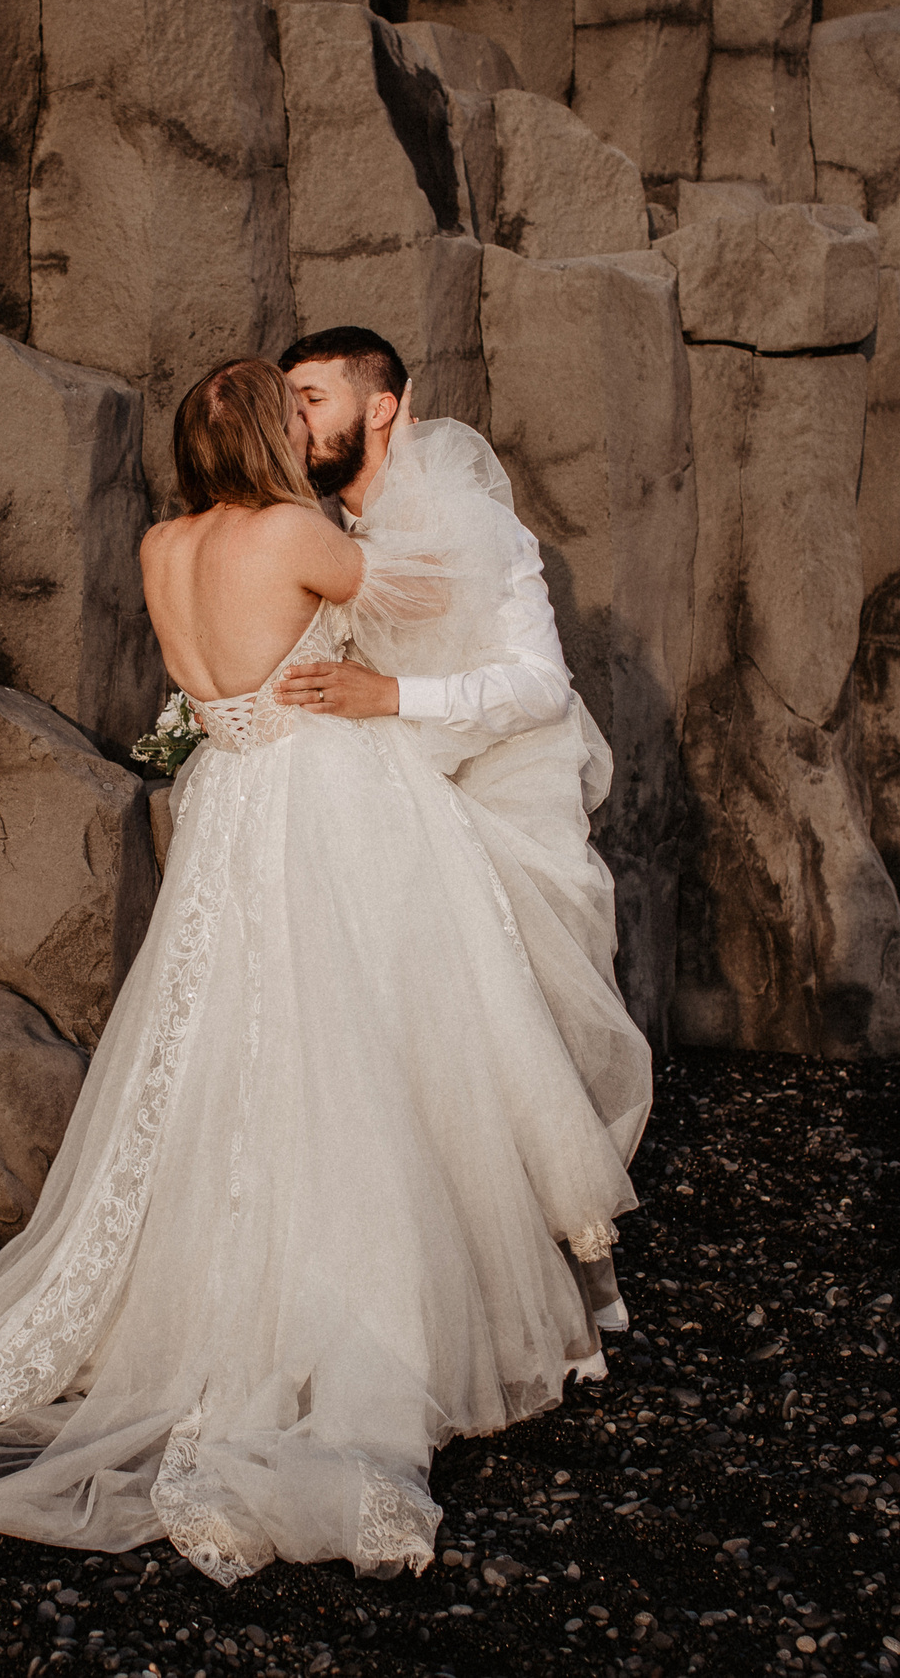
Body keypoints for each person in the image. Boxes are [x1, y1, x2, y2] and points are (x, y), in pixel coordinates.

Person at [0, 357, 639, 1585]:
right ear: (272, 437)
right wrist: (413, 454)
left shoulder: (164, 547)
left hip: (227, 812)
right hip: (323, 799)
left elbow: (208, 685)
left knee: (221, 1048)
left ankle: (226, 1285)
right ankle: (344, 1322)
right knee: (344, 1045)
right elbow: (429, 586)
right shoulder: (301, 535)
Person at [270, 327, 653, 1326]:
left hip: (495, 793)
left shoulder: (473, 528)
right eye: (289, 403)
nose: (295, 420)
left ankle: (519, 1291)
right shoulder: (312, 536)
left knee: (490, 1031)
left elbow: (535, 687)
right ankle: (408, 1280)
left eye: (312, 398)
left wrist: (388, 694)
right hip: (375, 792)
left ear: (380, 406)